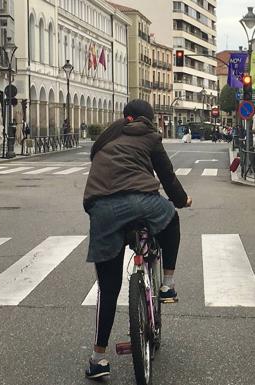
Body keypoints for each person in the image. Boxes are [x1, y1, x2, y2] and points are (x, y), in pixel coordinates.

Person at [82, 100, 192, 379]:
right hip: (142, 204)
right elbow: (167, 178)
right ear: (149, 119)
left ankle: (98, 358)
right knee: (171, 217)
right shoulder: (150, 136)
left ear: (126, 117)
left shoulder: (105, 137)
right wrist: (182, 200)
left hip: (102, 209)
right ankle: (167, 285)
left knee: (107, 289)